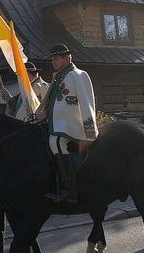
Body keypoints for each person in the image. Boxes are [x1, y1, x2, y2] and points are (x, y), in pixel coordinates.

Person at [35, 44, 97, 203]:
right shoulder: (59, 76)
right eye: (52, 59)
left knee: (55, 141)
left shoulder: (78, 75)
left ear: (67, 57)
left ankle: (70, 189)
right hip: (59, 123)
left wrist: (90, 128)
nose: (53, 62)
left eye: (56, 58)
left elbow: (85, 102)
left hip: (73, 124)